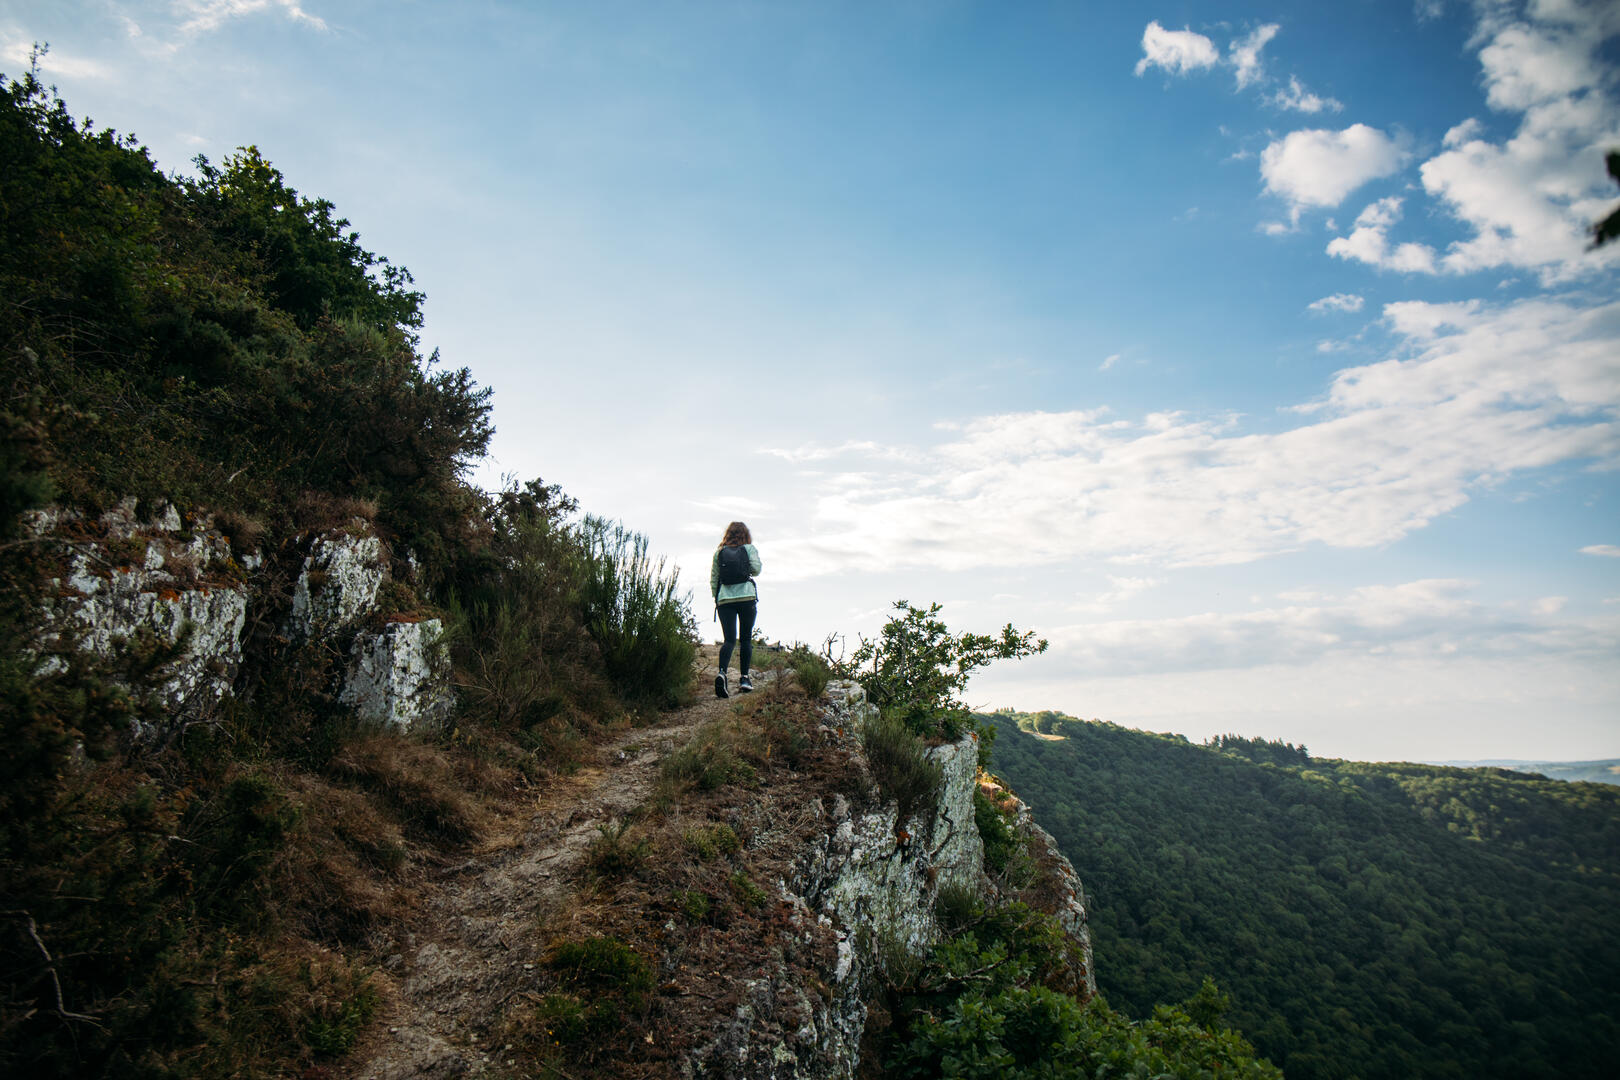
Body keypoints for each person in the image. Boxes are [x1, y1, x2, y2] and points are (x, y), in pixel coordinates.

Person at [710, 521, 761, 698]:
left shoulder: (719, 552)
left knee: (729, 640)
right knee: (745, 639)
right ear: (746, 535)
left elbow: (714, 578)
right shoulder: (749, 549)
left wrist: (717, 598)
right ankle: (745, 678)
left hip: (725, 600)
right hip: (746, 598)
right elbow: (756, 570)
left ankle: (722, 673)